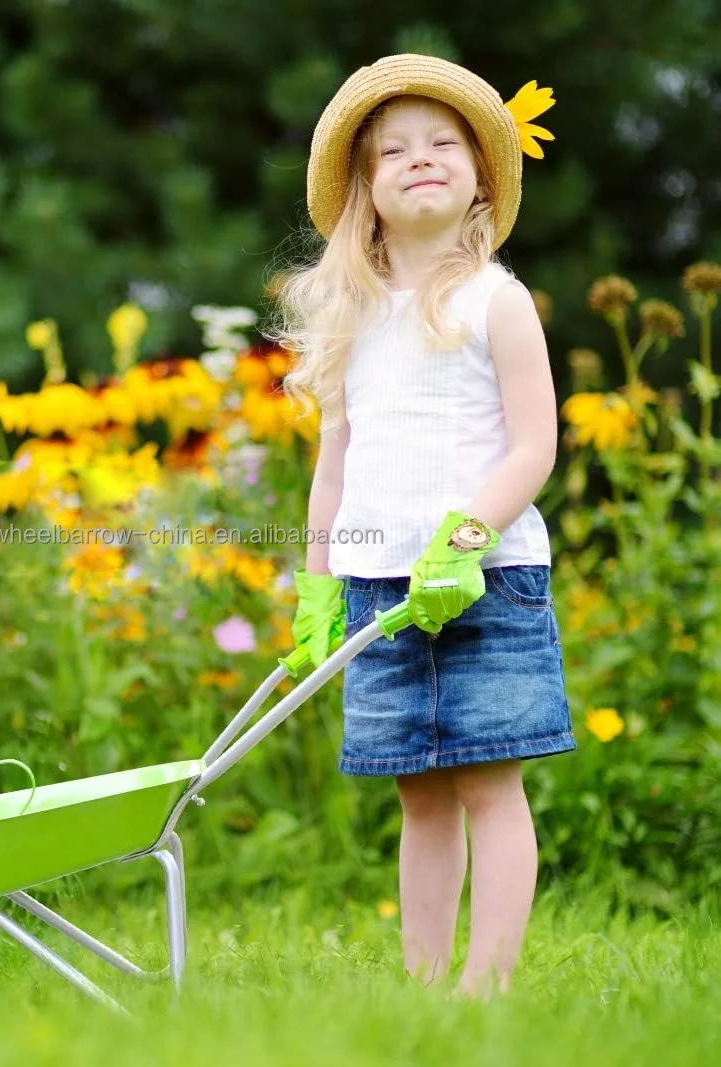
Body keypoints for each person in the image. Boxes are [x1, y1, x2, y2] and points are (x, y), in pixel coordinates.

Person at [268, 54, 576, 999]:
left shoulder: (496, 300)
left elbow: (535, 445)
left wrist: (466, 537)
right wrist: (318, 583)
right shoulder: (351, 317)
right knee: (419, 789)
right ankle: (422, 982)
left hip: (485, 582)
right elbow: (334, 467)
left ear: (481, 176)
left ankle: (483, 988)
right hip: (379, 589)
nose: (420, 159)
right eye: (393, 150)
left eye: (443, 142)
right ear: (363, 188)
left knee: (488, 781)